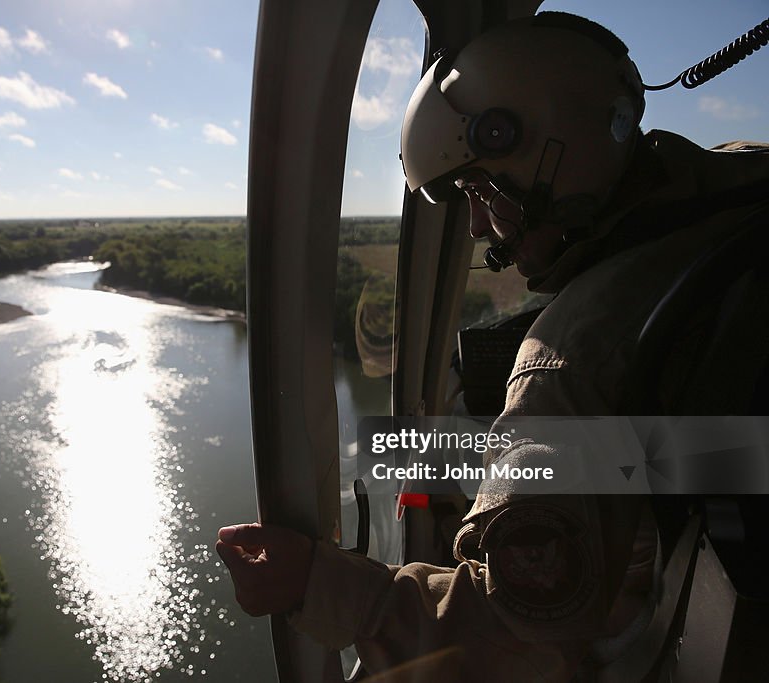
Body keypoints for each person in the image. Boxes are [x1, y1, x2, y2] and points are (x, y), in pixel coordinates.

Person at [218, 12, 769, 681]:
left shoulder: (564, 363)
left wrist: (320, 585)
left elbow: (516, 637)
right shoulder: (741, 181)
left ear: (547, 148)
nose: (477, 223)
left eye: (480, 189)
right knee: (411, 444)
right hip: (725, 462)